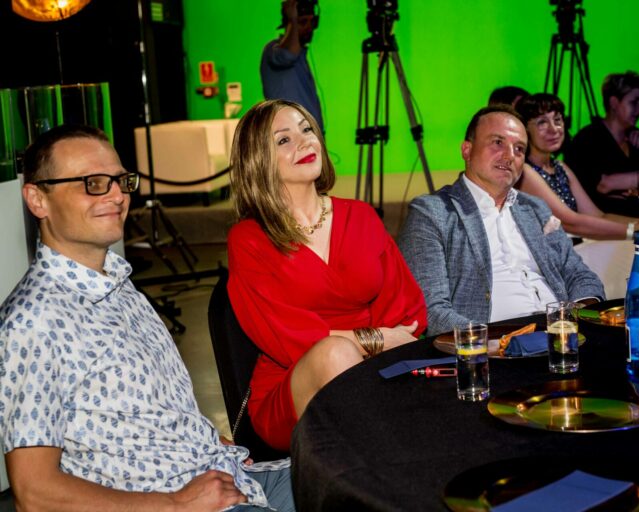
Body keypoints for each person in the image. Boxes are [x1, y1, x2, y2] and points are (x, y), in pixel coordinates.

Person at [0, 125, 294, 511]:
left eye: (120, 181)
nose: (117, 196)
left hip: (225, 474)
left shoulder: (118, 285)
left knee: (353, 471)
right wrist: (176, 503)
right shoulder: (32, 322)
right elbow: (34, 492)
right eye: (93, 183)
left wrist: (199, 439)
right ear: (37, 199)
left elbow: (139, 412)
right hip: (185, 502)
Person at [227, 99, 427, 451]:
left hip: (375, 365)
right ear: (257, 159)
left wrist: (378, 344)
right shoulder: (249, 239)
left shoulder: (361, 216)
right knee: (334, 354)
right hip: (293, 383)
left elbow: (405, 311)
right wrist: (376, 338)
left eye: (307, 130)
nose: (305, 142)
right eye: (284, 139)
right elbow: (287, 336)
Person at [398, 105, 604, 337]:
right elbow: (431, 310)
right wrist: (495, 342)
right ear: (467, 150)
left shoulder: (534, 208)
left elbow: (579, 274)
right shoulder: (433, 213)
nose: (509, 156)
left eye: (519, 149)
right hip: (492, 343)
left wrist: (581, 317)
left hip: (561, 334)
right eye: (498, 143)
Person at [514, 93, 639, 241]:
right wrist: (633, 230)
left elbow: (598, 216)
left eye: (557, 120)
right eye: (542, 123)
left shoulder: (560, 167)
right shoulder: (525, 171)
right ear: (525, 130)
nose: (554, 129)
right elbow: (569, 222)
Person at [565, 71, 639, 217]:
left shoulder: (634, 138)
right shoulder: (588, 139)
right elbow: (603, 184)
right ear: (614, 103)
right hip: (603, 222)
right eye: (634, 102)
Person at [260, 0, 323, 132]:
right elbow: (288, 55)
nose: (309, 28)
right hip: (292, 137)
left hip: (309, 135)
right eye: (303, 22)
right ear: (289, 25)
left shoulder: (301, 55)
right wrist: (293, 20)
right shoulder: (272, 50)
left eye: (312, 22)